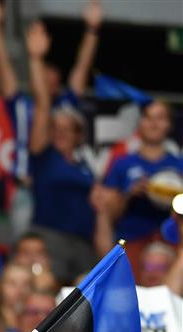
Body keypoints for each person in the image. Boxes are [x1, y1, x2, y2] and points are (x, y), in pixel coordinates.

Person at [24, 18, 98, 284]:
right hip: (50, 239)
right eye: (55, 128)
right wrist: (36, 59)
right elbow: (43, 104)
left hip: (84, 243)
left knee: (86, 300)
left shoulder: (87, 165)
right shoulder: (44, 155)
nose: (60, 133)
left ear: (79, 135)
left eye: (68, 129)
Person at [96, 101, 183, 259]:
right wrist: (130, 194)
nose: (154, 124)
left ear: (169, 124)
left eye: (160, 118)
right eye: (148, 118)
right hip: (131, 242)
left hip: (171, 244)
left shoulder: (179, 166)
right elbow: (107, 214)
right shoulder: (122, 163)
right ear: (140, 123)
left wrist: (176, 199)